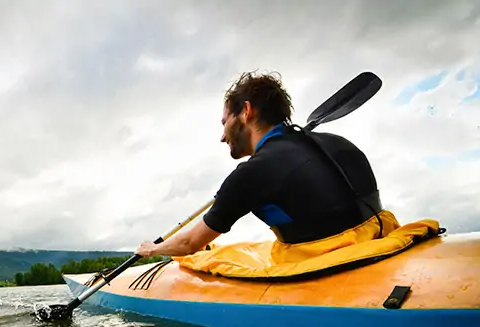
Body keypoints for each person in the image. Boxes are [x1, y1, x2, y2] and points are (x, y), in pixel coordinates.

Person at [135, 70, 384, 259]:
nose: (222, 136)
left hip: (335, 266)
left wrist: (153, 249)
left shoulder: (250, 174)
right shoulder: (336, 144)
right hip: (384, 244)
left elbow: (190, 244)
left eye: (224, 123)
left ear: (246, 111)